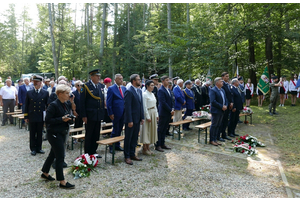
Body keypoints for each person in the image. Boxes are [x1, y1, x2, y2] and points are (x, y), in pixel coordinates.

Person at [41, 84, 75, 189]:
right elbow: (48, 120)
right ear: (60, 94)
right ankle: (62, 181)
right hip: (54, 133)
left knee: (53, 154)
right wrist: (61, 119)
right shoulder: (53, 105)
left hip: (62, 132)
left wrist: (70, 119)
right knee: (60, 156)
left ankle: (45, 173)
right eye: (66, 93)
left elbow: (68, 115)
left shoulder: (66, 103)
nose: (68, 95)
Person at [80, 69, 104, 158]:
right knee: (89, 134)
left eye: (99, 76)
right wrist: (84, 115)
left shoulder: (100, 86)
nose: (99, 78)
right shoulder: (86, 86)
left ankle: (94, 151)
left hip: (98, 114)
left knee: (96, 133)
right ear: (92, 76)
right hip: (90, 115)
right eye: (97, 76)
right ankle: (87, 153)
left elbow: (101, 100)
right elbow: (82, 102)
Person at [24, 75, 49, 155]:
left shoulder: (45, 93)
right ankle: (33, 149)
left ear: (40, 83)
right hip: (32, 115)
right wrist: (26, 116)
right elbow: (26, 105)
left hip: (40, 115)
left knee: (39, 132)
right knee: (32, 133)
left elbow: (47, 106)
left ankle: (39, 148)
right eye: (34, 82)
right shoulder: (29, 92)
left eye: (36, 82)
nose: (35, 83)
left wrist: (47, 117)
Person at [123, 74, 144, 165]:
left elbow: (140, 105)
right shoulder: (129, 91)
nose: (140, 81)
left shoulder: (139, 91)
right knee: (128, 138)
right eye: (139, 80)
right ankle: (127, 156)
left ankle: (132, 154)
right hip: (131, 119)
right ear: (134, 81)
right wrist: (129, 120)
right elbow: (127, 107)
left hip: (137, 118)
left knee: (135, 138)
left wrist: (142, 117)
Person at [106, 74, 126, 153]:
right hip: (115, 112)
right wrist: (110, 113)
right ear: (115, 80)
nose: (121, 80)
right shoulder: (111, 88)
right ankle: (111, 146)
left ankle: (117, 145)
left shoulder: (124, 88)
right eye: (119, 79)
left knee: (120, 129)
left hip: (123, 112)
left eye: (122, 78)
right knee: (115, 130)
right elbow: (109, 102)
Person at [156, 76, 174, 152]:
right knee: (160, 129)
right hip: (163, 112)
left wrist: (172, 108)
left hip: (169, 112)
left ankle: (162, 143)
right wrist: (170, 110)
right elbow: (163, 102)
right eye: (166, 80)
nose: (168, 82)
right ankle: (158, 145)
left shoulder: (168, 90)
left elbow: (171, 100)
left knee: (165, 128)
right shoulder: (161, 90)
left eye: (168, 80)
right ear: (163, 81)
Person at [141, 80, 158, 155]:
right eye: (151, 85)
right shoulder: (144, 94)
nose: (153, 87)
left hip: (153, 112)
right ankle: (145, 148)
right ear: (147, 86)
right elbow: (144, 106)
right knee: (146, 130)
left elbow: (155, 105)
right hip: (148, 113)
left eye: (153, 85)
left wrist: (157, 115)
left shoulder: (152, 94)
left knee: (151, 130)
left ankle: (148, 147)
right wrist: (147, 116)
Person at [209, 77, 227, 146]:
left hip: (222, 110)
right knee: (214, 125)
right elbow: (213, 101)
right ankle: (212, 140)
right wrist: (221, 106)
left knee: (218, 125)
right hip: (216, 110)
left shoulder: (222, 90)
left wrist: (225, 105)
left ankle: (216, 139)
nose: (223, 82)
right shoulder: (213, 90)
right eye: (221, 81)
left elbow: (225, 99)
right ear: (217, 83)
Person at [219, 72, 233, 141]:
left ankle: (224, 134)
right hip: (224, 105)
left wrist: (232, 102)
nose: (228, 77)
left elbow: (230, 94)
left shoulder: (228, 84)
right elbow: (224, 96)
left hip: (229, 105)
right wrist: (227, 104)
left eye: (228, 76)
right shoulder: (222, 85)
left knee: (226, 121)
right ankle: (220, 134)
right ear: (223, 77)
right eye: (226, 76)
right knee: (222, 120)